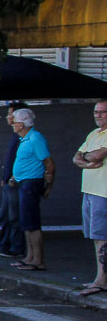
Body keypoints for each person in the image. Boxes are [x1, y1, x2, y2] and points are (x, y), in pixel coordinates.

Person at [9, 107, 54, 271]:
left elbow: (49, 163)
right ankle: (30, 256)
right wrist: (15, 177)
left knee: (32, 223)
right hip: (24, 183)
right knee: (26, 222)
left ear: (21, 124)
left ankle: (38, 259)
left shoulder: (35, 138)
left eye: (14, 122)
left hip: (31, 184)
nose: (12, 125)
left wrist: (48, 186)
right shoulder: (26, 139)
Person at [73, 99, 107, 296]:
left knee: (102, 236)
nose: (98, 115)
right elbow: (76, 157)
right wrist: (87, 161)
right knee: (95, 236)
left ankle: (101, 280)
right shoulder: (93, 134)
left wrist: (87, 157)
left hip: (103, 191)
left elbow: (97, 155)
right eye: (96, 112)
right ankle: (100, 278)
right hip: (89, 190)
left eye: (103, 112)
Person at [0, 101, 28, 258]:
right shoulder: (15, 136)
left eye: (10, 114)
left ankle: (17, 247)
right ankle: (5, 243)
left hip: (15, 181)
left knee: (14, 216)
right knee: (5, 215)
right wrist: (5, 177)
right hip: (9, 181)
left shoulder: (25, 138)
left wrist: (13, 177)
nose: (8, 117)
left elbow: (21, 160)